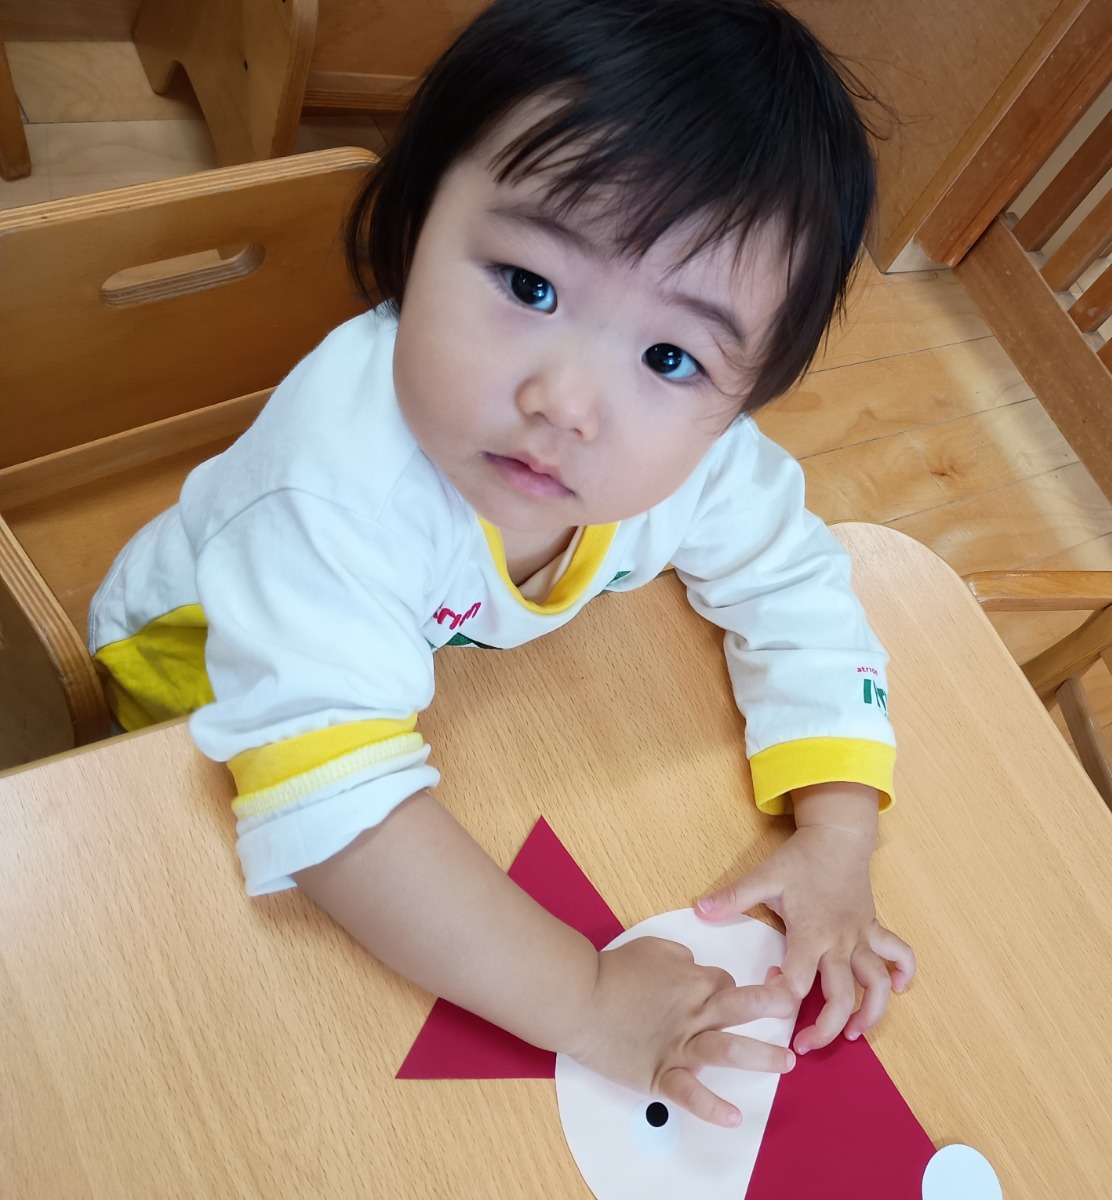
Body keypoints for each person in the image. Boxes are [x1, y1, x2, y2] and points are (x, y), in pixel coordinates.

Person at [87, 0, 914, 1129]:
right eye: (530, 286)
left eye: (670, 356)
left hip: (427, 677)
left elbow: (794, 583)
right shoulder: (335, 492)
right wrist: (587, 1003)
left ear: (742, 399)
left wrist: (839, 828)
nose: (565, 403)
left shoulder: (702, 462)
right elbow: (338, 816)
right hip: (188, 681)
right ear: (414, 220)